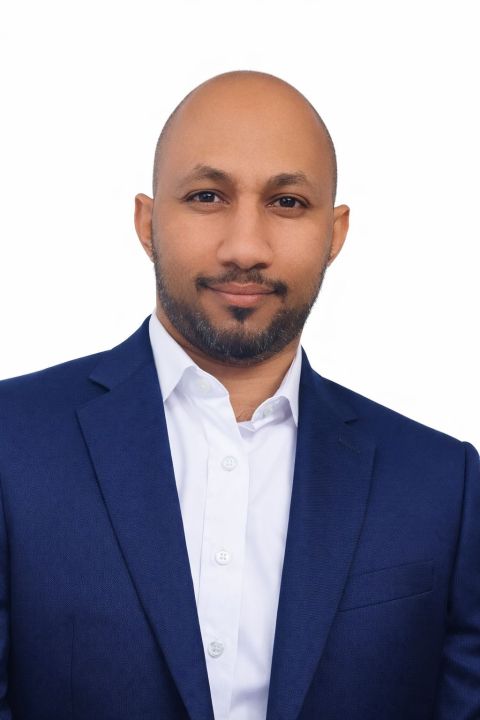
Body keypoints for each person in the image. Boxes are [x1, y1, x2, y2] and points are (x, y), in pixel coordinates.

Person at [0, 70, 478, 720]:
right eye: (206, 196)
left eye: (287, 202)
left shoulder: (443, 484)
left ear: (335, 233)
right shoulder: (12, 445)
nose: (245, 248)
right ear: (147, 222)